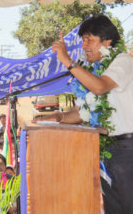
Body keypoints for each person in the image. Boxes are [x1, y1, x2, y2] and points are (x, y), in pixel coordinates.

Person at [33, 15, 133, 214]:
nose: (84, 45)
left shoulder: (124, 61)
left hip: (128, 151)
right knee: (115, 209)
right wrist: (57, 118)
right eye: (83, 40)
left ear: (107, 42)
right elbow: (83, 112)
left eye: (89, 39)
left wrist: (67, 61)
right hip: (106, 150)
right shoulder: (94, 70)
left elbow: (99, 87)